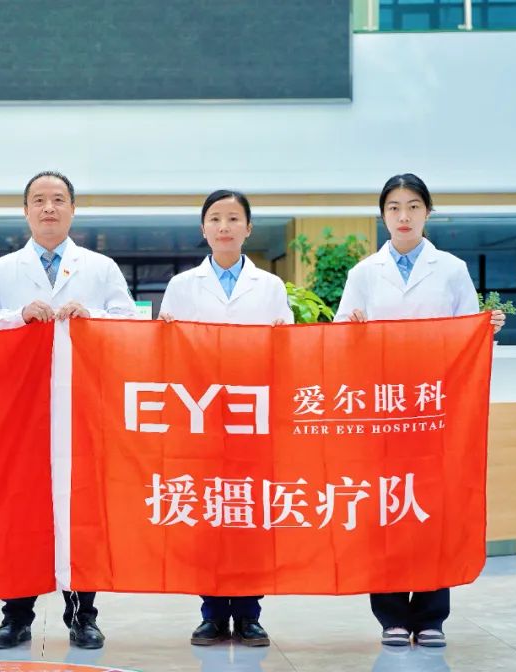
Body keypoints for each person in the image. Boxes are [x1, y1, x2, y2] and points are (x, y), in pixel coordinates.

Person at [0, 170, 136, 650]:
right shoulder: (1, 271)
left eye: (58, 200)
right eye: (38, 200)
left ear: (73, 210)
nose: (48, 208)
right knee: (19, 509)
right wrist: (17, 316)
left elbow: (128, 324)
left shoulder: (100, 268)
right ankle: (16, 614)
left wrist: (91, 318)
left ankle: (83, 615)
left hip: (83, 407)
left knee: (79, 508)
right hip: (19, 410)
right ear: (25, 211)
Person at [335, 173, 505, 649]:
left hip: (435, 407)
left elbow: (467, 337)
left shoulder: (450, 269)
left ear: (428, 212)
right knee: (386, 505)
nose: (403, 216)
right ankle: (390, 614)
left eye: (413, 206)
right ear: (382, 215)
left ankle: (432, 615)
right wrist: (352, 327)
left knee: (432, 507)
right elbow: (340, 337)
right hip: (382, 407)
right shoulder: (364, 273)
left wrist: (485, 328)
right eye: (394, 207)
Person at [159, 189, 291, 647]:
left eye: (234, 219)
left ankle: (250, 613)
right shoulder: (182, 286)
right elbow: (167, 354)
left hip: (253, 417)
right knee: (209, 513)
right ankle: (212, 613)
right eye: (215, 218)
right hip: (201, 416)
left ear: (248, 228)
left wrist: (282, 338)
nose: (224, 227)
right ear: (203, 229)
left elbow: (287, 352)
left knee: (251, 512)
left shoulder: (270, 287)